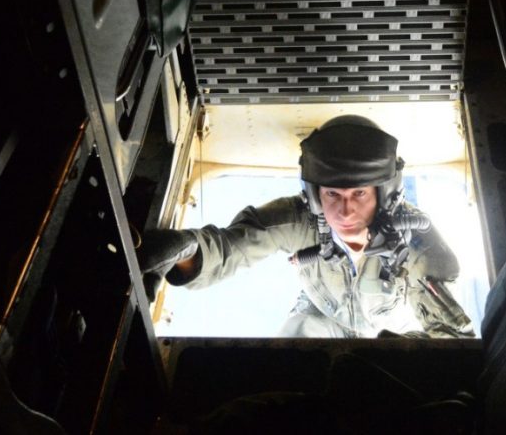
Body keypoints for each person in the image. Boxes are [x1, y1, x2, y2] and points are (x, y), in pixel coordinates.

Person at [138, 114, 474, 338]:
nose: (345, 210)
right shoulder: (299, 219)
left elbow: (451, 333)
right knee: (293, 347)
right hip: (324, 311)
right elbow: (230, 247)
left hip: (393, 331)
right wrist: (185, 251)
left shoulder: (420, 247)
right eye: (332, 194)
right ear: (315, 195)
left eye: (359, 193)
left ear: (384, 193)